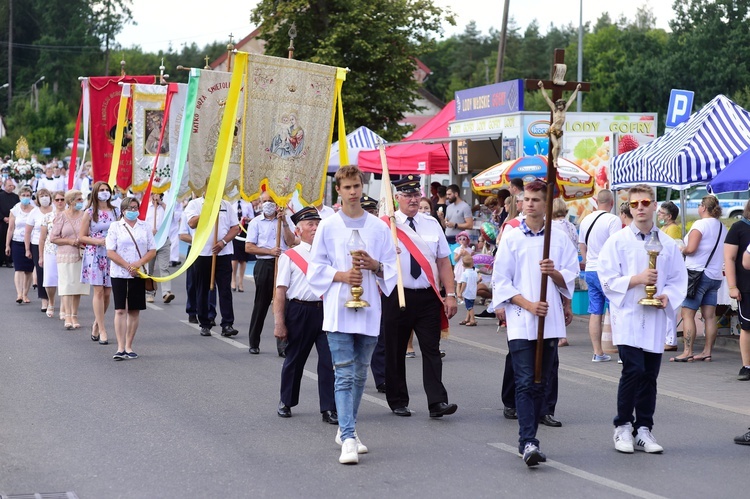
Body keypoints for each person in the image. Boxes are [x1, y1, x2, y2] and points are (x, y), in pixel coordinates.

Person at [307, 165, 397, 465]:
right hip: (337, 310)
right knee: (344, 373)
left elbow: (391, 269)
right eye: (347, 187)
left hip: (369, 307)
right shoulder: (327, 226)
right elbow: (315, 268)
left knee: (360, 373)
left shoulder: (379, 227)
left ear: (363, 187)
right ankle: (347, 437)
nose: (353, 192)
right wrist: (342, 276)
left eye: (357, 186)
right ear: (339, 191)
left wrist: (375, 266)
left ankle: (349, 428)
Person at [491, 180, 578, 466]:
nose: (529, 204)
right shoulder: (512, 238)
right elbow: (500, 281)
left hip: (548, 321)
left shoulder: (559, 239)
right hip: (521, 320)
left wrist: (553, 274)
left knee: (542, 381)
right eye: (526, 199)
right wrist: (528, 304)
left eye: (536, 200)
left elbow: (571, 274)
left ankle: (531, 433)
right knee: (526, 381)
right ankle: (528, 441)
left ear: (547, 204)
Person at [598, 184, 687, 454]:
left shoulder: (667, 244)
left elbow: (676, 278)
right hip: (628, 315)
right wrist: (636, 280)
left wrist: (668, 297)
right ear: (629, 206)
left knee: (650, 374)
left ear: (653, 206)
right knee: (632, 370)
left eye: (645, 203)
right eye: (634, 204)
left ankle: (644, 428)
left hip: (654, 316)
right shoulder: (618, 241)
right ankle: (622, 425)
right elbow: (607, 278)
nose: (640, 208)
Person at [383, 174, 458, 419]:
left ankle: (437, 402)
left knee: (431, 349)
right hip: (397, 294)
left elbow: (443, 262)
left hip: (427, 296)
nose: (413, 199)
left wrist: (451, 295)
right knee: (395, 350)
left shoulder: (431, 223)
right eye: (407, 195)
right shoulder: (386, 225)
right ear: (397, 198)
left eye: (416, 194)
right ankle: (397, 400)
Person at [274, 206, 337, 424]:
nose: (315, 227)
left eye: (318, 224)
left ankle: (329, 408)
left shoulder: (330, 254)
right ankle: (286, 401)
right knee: (295, 358)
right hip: (299, 311)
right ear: (298, 231)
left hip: (325, 310)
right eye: (310, 224)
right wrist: (279, 323)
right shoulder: (290, 256)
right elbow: (280, 291)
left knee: (329, 362)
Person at [671, 195, 726, 362]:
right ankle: (707, 351)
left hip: (697, 274)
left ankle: (687, 351)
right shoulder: (722, 227)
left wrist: (682, 248)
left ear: (703, 207)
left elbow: (691, 249)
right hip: (715, 275)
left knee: (687, 313)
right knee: (709, 316)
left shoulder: (700, 224)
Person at [106, 196, 157, 360]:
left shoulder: (144, 227)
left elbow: (152, 249)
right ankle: (120, 347)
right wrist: (127, 265)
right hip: (120, 273)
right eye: (130, 208)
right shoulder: (115, 227)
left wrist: (138, 264)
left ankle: (129, 345)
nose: (133, 211)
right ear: (123, 210)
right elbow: (110, 251)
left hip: (138, 273)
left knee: (134, 310)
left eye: (136, 208)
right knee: (120, 309)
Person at [245, 191, 295, 355]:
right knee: (261, 303)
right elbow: (249, 247)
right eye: (264, 201)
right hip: (265, 263)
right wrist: (269, 251)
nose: (267, 203)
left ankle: (283, 345)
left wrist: (284, 222)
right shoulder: (255, 222)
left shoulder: (284, 220)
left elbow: (291, 241)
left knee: (284, 304)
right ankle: (254, 341)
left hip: (283, 263)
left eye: (270, 201)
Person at [184, 194, 241, 337]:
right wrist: (208, 210)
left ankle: (227, 323)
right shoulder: (195, 204)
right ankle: (204, 323)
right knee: (202, 289)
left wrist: (223, 242)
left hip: (223, 253)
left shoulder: (226, 205)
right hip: (203, 253)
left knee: (224, 289)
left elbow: (235, 228)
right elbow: (192, 223)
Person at [578, 189, 622, 362]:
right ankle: (622, 354)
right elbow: (616, 246)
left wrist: (589, 259)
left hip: (590, 269)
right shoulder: (613, 220)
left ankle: (598, 353)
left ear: (597, 202)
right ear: (611, 203)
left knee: (595, 311)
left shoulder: (586, 219)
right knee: (616, 310)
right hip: (607, 271)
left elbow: (582, 244)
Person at [79, 181, 118, 344]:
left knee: (108, 293)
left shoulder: (116, 211)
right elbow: (81, 236)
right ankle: (102, 329)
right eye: (101, 190)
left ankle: (96, 322)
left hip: (112, 253)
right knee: (99, 292)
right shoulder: (89, 212)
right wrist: (98, 241)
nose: (104, 192)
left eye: (107, 190)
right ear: (95, 192)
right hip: (95, 253)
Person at [50, 190, 90, 329]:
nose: (81, 202)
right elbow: (53, 238)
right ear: (71, 201)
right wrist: (69, 241)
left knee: (77, 287)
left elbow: (88, 232)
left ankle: (74, 315)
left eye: (81, 199)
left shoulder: (85, 215)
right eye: (78, 199)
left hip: (81, 254)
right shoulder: (61, 216)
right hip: (65, 255)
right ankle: (67, 315)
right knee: (67, 286)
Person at [725, 200, 750, 380]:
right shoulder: (738, 228)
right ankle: (747, 365)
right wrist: (732, 286)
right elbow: (730, 258)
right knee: (747, 327)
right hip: (746, 286)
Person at [178, 209, 217, 325]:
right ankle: (192, 310)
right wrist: (199, 241)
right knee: (192, 282)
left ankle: (210, 312)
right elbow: (183, 235)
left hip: (211, 250)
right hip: (195, 249)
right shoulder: (189, 210)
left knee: (210, 283)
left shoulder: (215, 210)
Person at [24, 188, 54, 311]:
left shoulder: (55, 211)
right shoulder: (34, 212)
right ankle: (44, 299)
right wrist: (27, 249)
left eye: (46, 195)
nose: (44, 198)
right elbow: (27, 232)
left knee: (53, 272)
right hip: (37, 244)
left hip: (53, 244)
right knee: (41, 270)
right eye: (42, 196)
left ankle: (53, 298)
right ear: (37, 199)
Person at [538, 81, 581, 165]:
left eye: (561, 105)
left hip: (559, 130)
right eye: (559, 105)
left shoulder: (564, 110)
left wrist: (577, 89)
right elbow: (546, 98)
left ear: (563, 105)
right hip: (553, 129)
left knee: (560, 147)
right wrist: (542, 87)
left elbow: (571, 99)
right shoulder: (555, 109)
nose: (560, 106)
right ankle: (554, 160)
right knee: (556, 145)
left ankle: (556, 159)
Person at [39, 191, 67, 320]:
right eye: (57, 200)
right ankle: (51, 302)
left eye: (62, 199)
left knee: (64, 280)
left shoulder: (69, 216)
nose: (60, 202)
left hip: (66, 251)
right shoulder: (47, 217)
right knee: (50, 280)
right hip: (50, 251)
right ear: (54, 201)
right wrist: (40, 256)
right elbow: (42, 238)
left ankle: (63, 307)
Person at [5, 185, 36, 303]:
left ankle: (25, 294)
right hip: (17, 241)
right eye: (23, 195)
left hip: (31, 242)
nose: (26, 198)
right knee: (18, 269)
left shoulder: (34, 210)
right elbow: (10, 228)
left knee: (28, 270)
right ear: (19, 196)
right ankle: (19, 294)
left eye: (28, 196)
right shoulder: (15, 210)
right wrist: (7, 245)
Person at [144, 193, 175, 304]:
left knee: (164, 267)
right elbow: (141, 223)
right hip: (150, 242)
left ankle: (166, 292)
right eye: (153, 194)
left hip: (163, 241)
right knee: (149, 269)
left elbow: (172, 216)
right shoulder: (146, 207)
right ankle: (149, 293)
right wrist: (149, 231)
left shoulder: (165, 207)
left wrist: (161, 203)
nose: (155, 196)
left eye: (157, 194)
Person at [231, 198, 254, 292]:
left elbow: (252, 218)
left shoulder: (248, 204)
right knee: (234, 258)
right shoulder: (232, 203)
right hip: (235, 229)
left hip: (244, 231)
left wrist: (246, 219)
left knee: (243, 259)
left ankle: (241, 282)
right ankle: (233, 280)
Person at [0, 178, 20, 267]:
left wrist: (13, 219)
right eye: (9, 185)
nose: (11, 187)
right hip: (2, 222)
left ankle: (8, 260)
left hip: (12, 222)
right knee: (1, 240)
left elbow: (18, 209)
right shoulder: (0, 196)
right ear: (4, 186)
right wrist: (3, 218)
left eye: (12, 186)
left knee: (11, 240)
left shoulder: (15, 197)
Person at [457, 254, 480, 326]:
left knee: (469, 307)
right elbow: (477, 281)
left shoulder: (464, 274)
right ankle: (467, 318)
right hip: (473, 292)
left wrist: (460, 292)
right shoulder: (475, 272)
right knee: (469, 306)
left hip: (467, 292)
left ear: (463, 265)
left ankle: (472, 319)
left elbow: (464, 284)